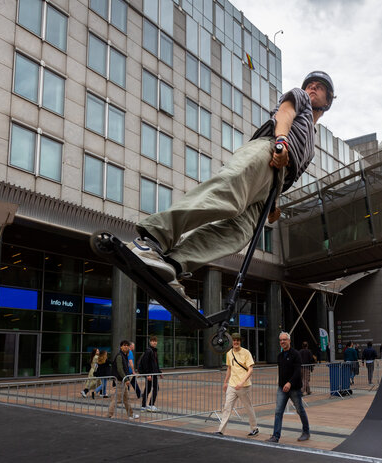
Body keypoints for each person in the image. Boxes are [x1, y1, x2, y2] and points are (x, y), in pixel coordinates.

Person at [127, 71, 335, 303]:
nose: (312, 87)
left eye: (320, 87)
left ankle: (171, 263)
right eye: (310, 84)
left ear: (328, 101)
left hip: (274, 184)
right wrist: (281, 142)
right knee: (227, 194)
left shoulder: (312, 146)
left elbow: (291, 171)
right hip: (268, 151)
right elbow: (285, 113)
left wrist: (274, 203)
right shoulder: (301, 99)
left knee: (238, 234)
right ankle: (151, 240)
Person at [267, 332, 310, 443]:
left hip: (294, 388)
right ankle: (276, 436)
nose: (282, 342)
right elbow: (281, 372)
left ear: (289, 341)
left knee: (300, 410)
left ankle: (306, 432)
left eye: (284, 340)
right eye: (280, 340)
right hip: (282, 388)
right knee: (278, 412)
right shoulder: (280, 356)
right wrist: (281, 384)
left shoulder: (296, 354)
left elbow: (297, 371)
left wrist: (289, 383)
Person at [216, 333, 258, 437]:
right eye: (234, 340)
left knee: (248, 407)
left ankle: (254, 428)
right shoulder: (229, 353)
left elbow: (250, 369)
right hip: (232, 385)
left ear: (240, 341)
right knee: (227, 407)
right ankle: (221, 430)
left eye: (238, 340)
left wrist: (242, 382)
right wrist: (225, 382)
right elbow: (229, 368)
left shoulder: (246, 352)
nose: (236, 342)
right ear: (231, 342)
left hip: (244, 386)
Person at [108, 341, 138, 420]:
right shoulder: (119, 356)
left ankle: (131, 414)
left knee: (126, 399)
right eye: (124, 345)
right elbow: (120, 369)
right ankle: (109, 415)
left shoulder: (124, 356)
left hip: (123, 380)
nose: (126, 347)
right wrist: (126, 379)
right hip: (120, 380)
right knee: (116, 399)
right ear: (121, 347)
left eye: (127, 345)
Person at [138, 335, 162, 412]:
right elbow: (145, 363)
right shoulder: (149, 351)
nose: (154, 342)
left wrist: (159, 372)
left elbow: (155, 363)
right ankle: (151, 405)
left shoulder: (154, 351)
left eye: (155, 341)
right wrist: (148, 374)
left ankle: (144, 406)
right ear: (150, 342)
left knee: (148, 389)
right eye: (153, 341)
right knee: (155, 388)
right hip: (150, 374)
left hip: (153, 373)